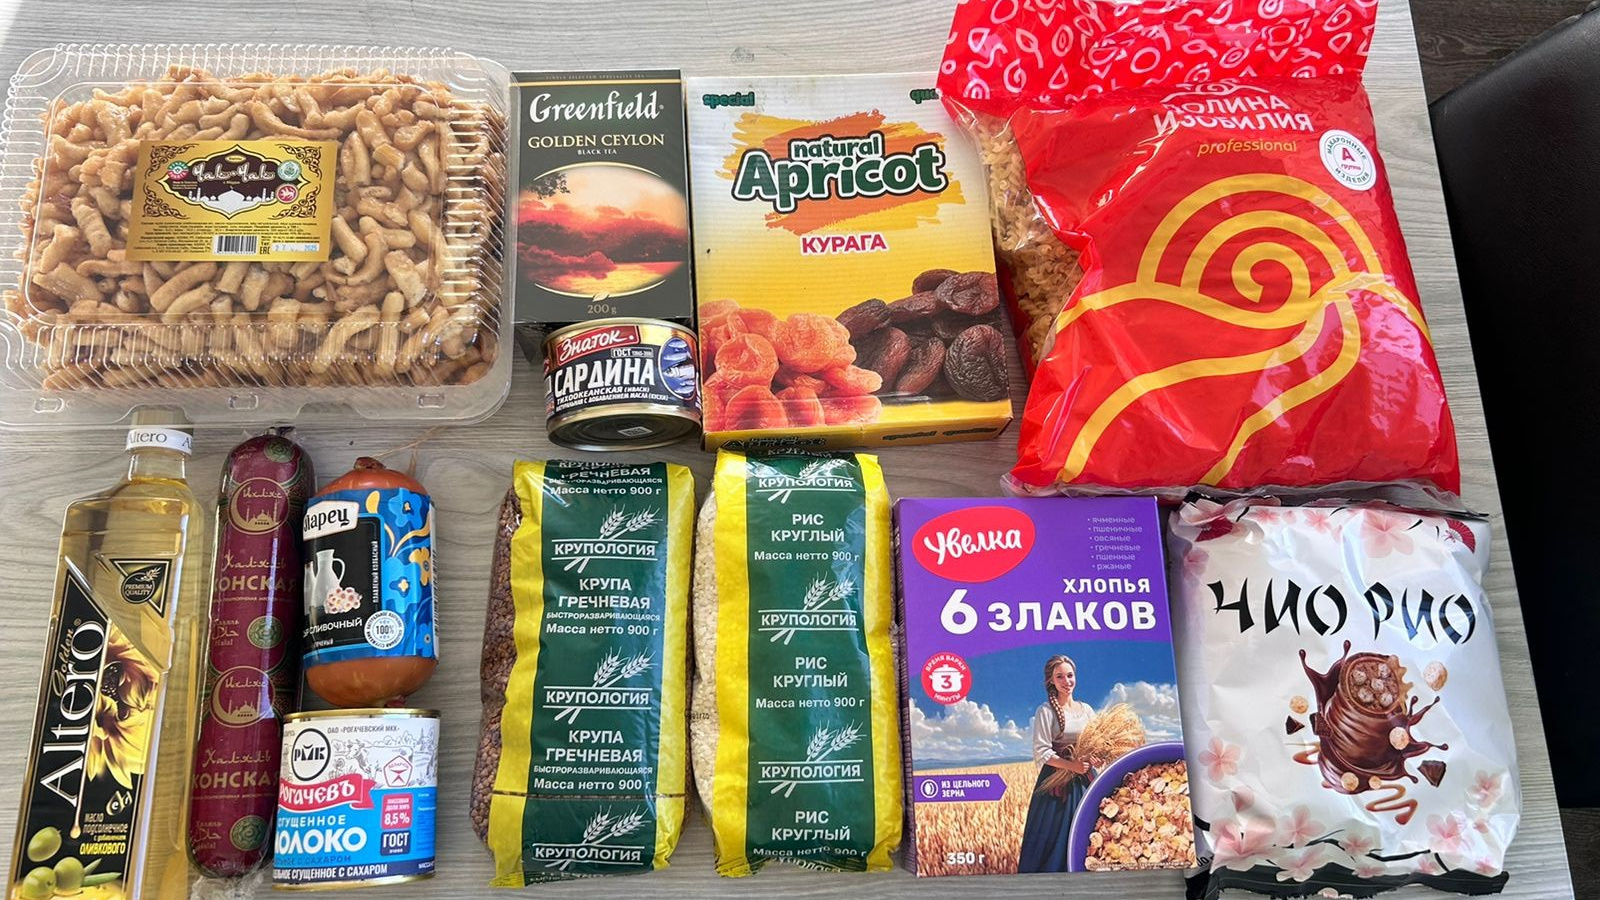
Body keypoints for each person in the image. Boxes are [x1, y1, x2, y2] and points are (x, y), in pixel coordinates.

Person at [1017, 654, 1095, 873]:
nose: (1066, 681)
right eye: (1059, 676)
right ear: (1051, 680)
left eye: (1069, 675)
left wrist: (1093, 757)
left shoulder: (1087, 710)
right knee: (1053, 834)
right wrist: (1073, 766)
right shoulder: (1046, 711)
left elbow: (1094, 741)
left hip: (1084, 777)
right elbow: (1042, 751)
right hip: (1056, 780)